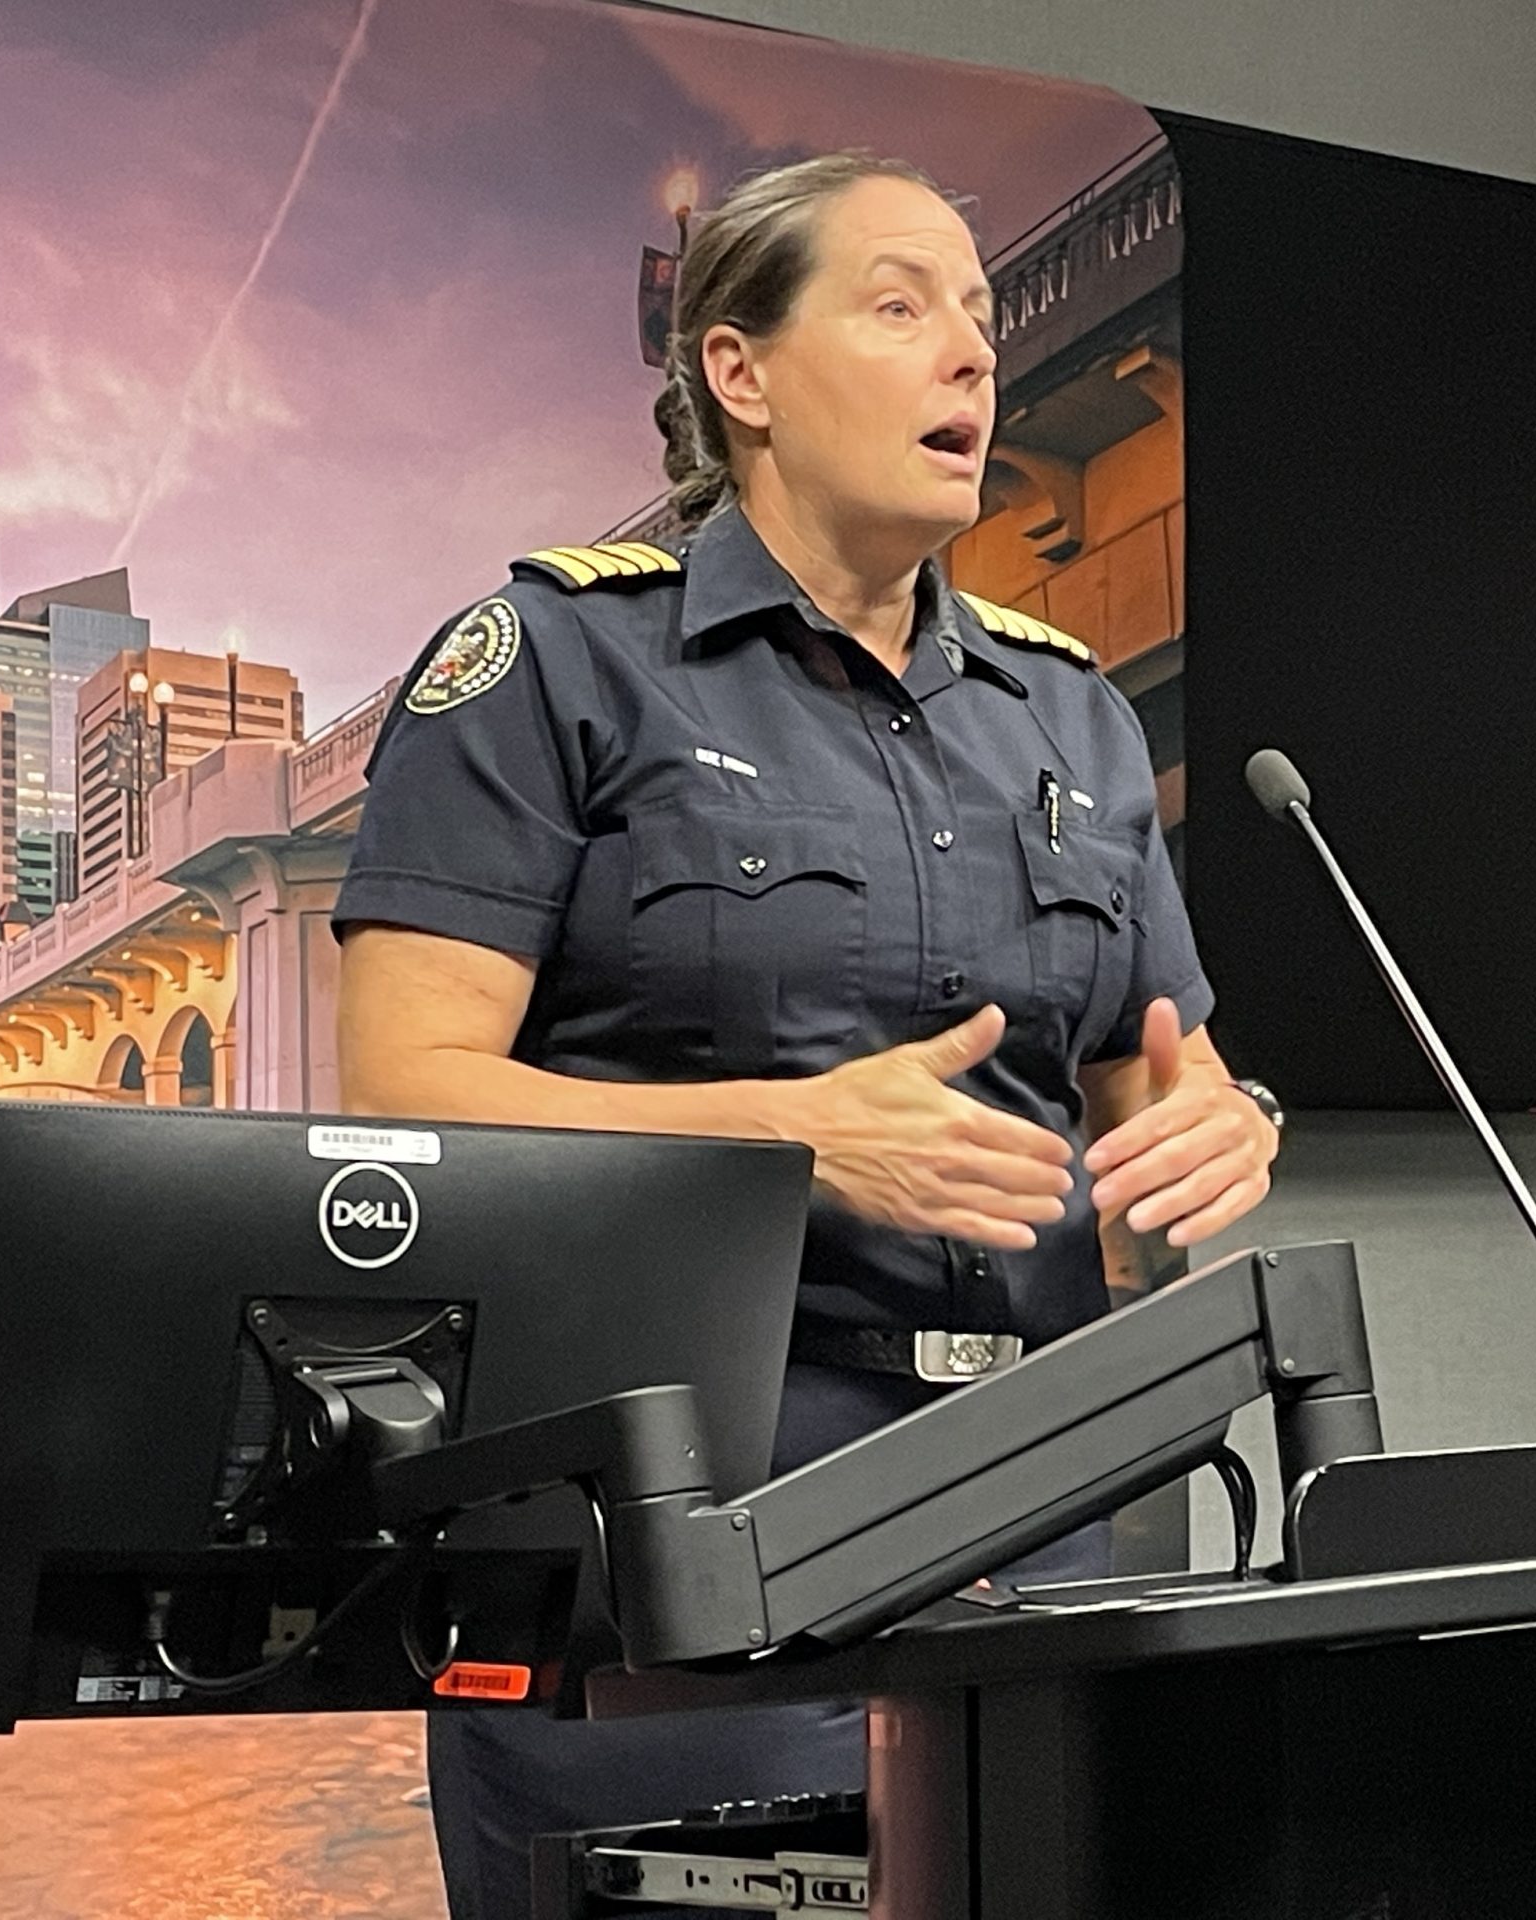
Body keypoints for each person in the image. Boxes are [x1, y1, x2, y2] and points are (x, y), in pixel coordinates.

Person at [331, 151, 1281, 1919]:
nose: (974, 359)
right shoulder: (555, 658)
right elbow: (403, 1095)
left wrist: (1223, 1122)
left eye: (986, 322)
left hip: (1029, 1523)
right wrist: (789, 1137)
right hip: (681, 1541)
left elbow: (1161, 1076)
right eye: (902, 304)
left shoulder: (1064, 712)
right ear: (738, 372)